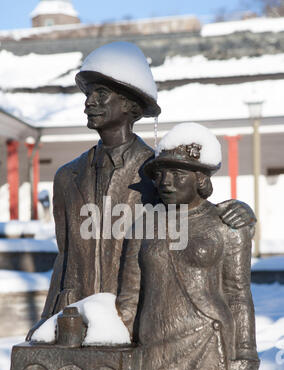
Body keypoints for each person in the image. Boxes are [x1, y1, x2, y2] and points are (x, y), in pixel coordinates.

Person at [26, 42, 256, 341]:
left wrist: (241, 213)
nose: (89, 102)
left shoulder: (158, 173)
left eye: (101, 94)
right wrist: (48, 317)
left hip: (133, 320)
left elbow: (197, 216)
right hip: (74, 316)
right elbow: (65, 255)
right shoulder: (66, 177)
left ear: (130, 105)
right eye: (88, 94)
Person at [116, 123, 259, 370]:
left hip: (211, 347)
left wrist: (246, 356)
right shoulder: (145, 225)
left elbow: (238, 294)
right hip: (157, 351)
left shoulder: (227, 225)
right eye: (161, 175)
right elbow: (130, 296)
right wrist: (121, 346)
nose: (166, 183)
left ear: (201, 180)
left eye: (178, 175)